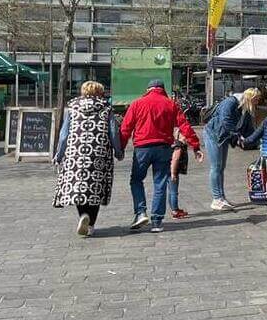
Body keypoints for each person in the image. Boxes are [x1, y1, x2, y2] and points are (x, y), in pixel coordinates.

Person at [120, 79, 202, 233]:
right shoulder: (171, 104)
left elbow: (126, 128)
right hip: (164, 148)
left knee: (136, 180)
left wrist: (120, 148)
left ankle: (140, 212)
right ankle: (157, 221)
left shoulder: (137, 103)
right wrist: (195, 146)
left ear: (148, 89)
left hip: (142, 148)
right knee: (160, 183)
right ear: (163, 89)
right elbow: (184, 125)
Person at [53, 81, 123, 237]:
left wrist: (59, 155)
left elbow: (64, 134)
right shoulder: (106, 108)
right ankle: (90, 224)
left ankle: (83, 215)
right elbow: (113, 132)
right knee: (95, 189)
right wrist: (118, 152)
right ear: (99, 92)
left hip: (75, 154)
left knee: (79, 187)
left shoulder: (72, 108)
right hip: (99, 154)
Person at [203, 87, 263, 211]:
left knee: (221, 167)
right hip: (214, 135)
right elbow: (226, 121)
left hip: (224, 137)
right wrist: (237, 136)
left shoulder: (245, 109)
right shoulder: (231, 102)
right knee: (216, 167)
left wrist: (256, 141)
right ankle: (216, 199)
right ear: (250, 98)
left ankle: (221, 197)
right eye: (256, 100)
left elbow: (249, 129)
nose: (257, 103)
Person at [169, 131, 192, 219]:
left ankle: (174, 208)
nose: (187, 139)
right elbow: (175, 159)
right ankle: (175, 211)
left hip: (168, 169)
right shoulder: (178, 146)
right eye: (185, 136)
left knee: (171, 191)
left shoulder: (173, 143)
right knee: (174, 191)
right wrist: (173, 173)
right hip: (173, 171)